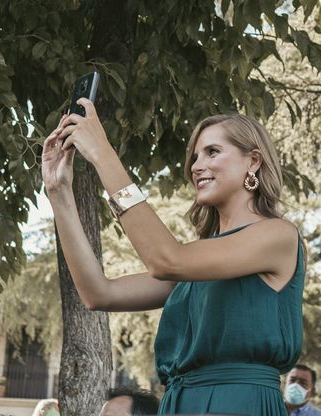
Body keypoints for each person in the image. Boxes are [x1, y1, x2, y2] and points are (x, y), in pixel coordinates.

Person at [43, 104, 304, 415]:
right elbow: (99, 293)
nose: (196, 165)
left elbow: (166, 259)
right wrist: (58, 191)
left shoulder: (277, 235)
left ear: (254, 161)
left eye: (212, 152)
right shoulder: (197, 262)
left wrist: (102, 154)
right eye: (195, 156)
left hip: (239, 404)